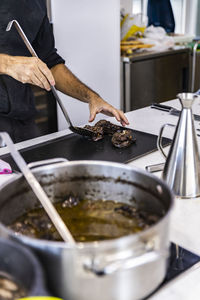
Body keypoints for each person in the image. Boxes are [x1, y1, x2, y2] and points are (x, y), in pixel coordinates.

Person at [0, 0, 129, 143]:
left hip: (22, 117)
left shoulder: (37, 4)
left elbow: (51, 63)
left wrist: (92, 97)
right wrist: (8, 64)